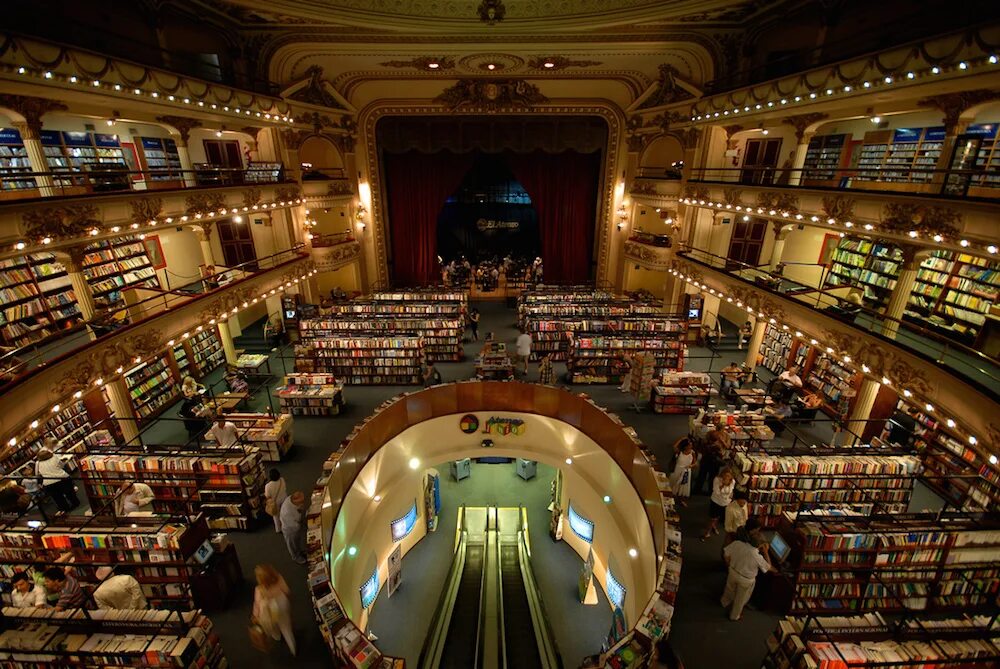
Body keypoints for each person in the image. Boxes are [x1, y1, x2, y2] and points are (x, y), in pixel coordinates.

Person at [721, 518, 775, 621]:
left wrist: (729, 565)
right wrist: (766, 552)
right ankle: (734, 616)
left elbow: (726, 554)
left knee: (729, 589)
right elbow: (768, 566)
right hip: (746, 580)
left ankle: (724, 602)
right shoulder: (756, 556)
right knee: (740, 599)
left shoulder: (737, 544)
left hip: (732, 572)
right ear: (758, 546)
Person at [253, 564, 296, 655]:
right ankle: (293, 647)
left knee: (273, 625)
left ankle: (277, 636)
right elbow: (287, 591)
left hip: (270, 610)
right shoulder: (279, 578)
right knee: (286, 627)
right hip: (282, 604)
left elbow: (257, 604)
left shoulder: (259, 589)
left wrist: (255, 615)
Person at [36, 446, 79, 512]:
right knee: (70, 493)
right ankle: (75, 503)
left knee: (58, 498)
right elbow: (62, 465)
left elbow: (37, 474)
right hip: (61, 478)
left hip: (49, 483)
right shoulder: (54, 457)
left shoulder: (38, 463)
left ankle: (65, 508)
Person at [694, 428, 729, 495]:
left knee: (701, 476)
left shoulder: (704, 443)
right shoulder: (716, 447)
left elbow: (701, 451)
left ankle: (697, 489)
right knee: (712, 478)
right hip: (714, 464)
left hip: (705, 462)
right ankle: (711, 491)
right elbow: (721, 455)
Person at [702, 469, 736, 539]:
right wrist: (723, 484)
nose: (727, 477)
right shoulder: (717, 480)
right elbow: (716, 492)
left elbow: (730, 492)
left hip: (725, 503)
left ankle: (714, 526)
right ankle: (707, 532)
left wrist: (729, 498)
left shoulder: (732, 481)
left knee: (718, 517)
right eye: (726, 475)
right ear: (722, 474)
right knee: (713, 518)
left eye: (729, 476)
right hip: (716, 501)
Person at [279, 491, 307, 564]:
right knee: (292, 544)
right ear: (295, 501)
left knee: (297, 541)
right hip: (290, 530)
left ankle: (300, 552)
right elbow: (293, 525)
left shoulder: (291, 499)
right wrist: (301, 525)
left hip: (295, 526)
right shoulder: (287, 512)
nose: (303, 503)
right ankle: (296, 557)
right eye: (301, 502)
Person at [670, 438, 697, 506]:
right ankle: (672, 497)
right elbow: (674, 447)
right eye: (689, 445)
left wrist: (691, 466)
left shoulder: (692, 453)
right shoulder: (679, 452)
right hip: (678, 470)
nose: (690, 447)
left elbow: (695, 463)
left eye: (691, 445)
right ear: (685, 446)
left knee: (683, 486)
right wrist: (681, 439)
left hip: (686, 471)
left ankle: (681, 499)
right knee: (675, 484)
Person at [264, 468, 288, 534]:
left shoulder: (268, 486)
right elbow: (285, 488)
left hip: (275, 501)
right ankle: (285, 525)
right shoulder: (282, 480)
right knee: (284, 513)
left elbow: (267, 496)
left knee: (276, 515)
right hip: (284, 498)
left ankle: (278, 529)